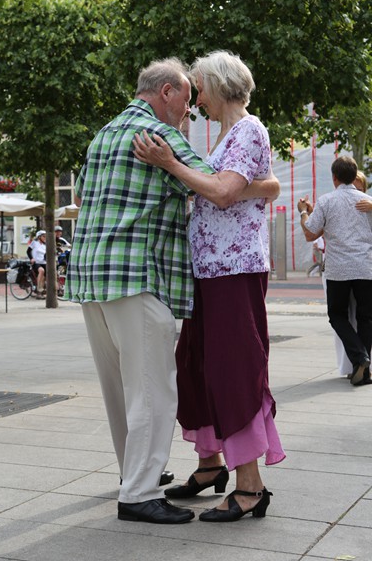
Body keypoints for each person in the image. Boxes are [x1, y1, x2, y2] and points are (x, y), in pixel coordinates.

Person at [66, 56, 280, 524]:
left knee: (136, 386)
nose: (192, 105)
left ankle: (169, 475)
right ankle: (142, 488)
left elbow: (83, 193)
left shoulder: (105, 133)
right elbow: (218, 185)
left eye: (199, 92)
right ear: (166, 93)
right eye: (187, 94)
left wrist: (265, 186)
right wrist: (268, 186)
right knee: (157, 387)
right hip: (142, 275)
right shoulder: (161, 136)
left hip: (99, 275)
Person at [133, 50, 285, 523]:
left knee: (233, 371)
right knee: (195, 367)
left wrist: (170, 163)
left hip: (233, 269)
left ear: (218, 86)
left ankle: (250, 487)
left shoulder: (248, 129)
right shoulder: (224, 135)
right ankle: (210, 464)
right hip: (209, 270)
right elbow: (255, 184)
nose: (196, 99)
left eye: (199, 89)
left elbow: (221, 192)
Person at [298, 156, 372, 386]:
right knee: (366, 318)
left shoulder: (327, 200)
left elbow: (310, 232)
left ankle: (360, 357)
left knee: (337, 315)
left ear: (334, 177)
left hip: (338, 268)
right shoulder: (368, 201)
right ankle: (364, 370)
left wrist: (304, 212)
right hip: (365, 266)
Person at [27, 230, 46, 299]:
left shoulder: (45, 245)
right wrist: (31, 258)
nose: (45, 238)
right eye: (43, 236)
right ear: (39, 237)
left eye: (45, 236)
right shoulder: (34, 243)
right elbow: (28, 251)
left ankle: (44, 290)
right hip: (36, 262)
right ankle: (38, 290)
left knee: (50, 274)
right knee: (41, 270)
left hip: (44, 262)